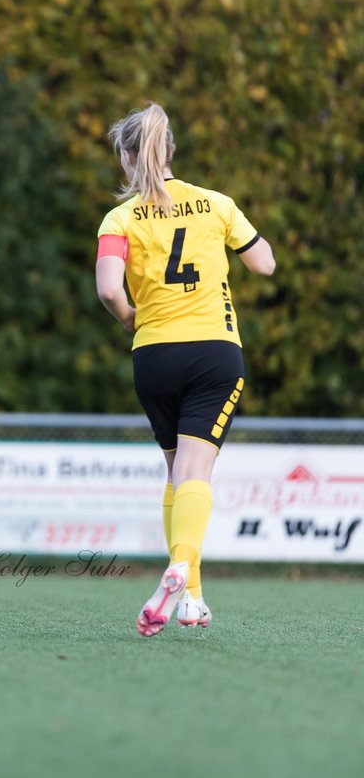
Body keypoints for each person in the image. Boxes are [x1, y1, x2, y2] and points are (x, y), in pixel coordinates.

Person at [96, 102, 275, 637]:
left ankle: (192, 598)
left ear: (128, 158)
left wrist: (130, 317)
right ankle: (181, 570)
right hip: (214, 351)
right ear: (171, 150)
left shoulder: (120, 217)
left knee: (175, 471)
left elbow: (108, 288)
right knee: (197, 474)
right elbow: (263, 262)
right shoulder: (216, 204)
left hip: (154, 353)